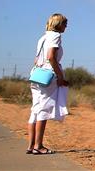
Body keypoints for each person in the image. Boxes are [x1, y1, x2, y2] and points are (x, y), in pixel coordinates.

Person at [27, 13, 69, 155]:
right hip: (48, 76)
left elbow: (36, 59)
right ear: (58, 24)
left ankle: (31, 145)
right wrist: (60, 76)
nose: (66, 26)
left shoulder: (43, 37)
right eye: (64, 23)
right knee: (44, 110)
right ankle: (38, 146)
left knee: (35, 109)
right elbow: (51, 57)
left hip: (36, 74)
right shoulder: (55, 36)